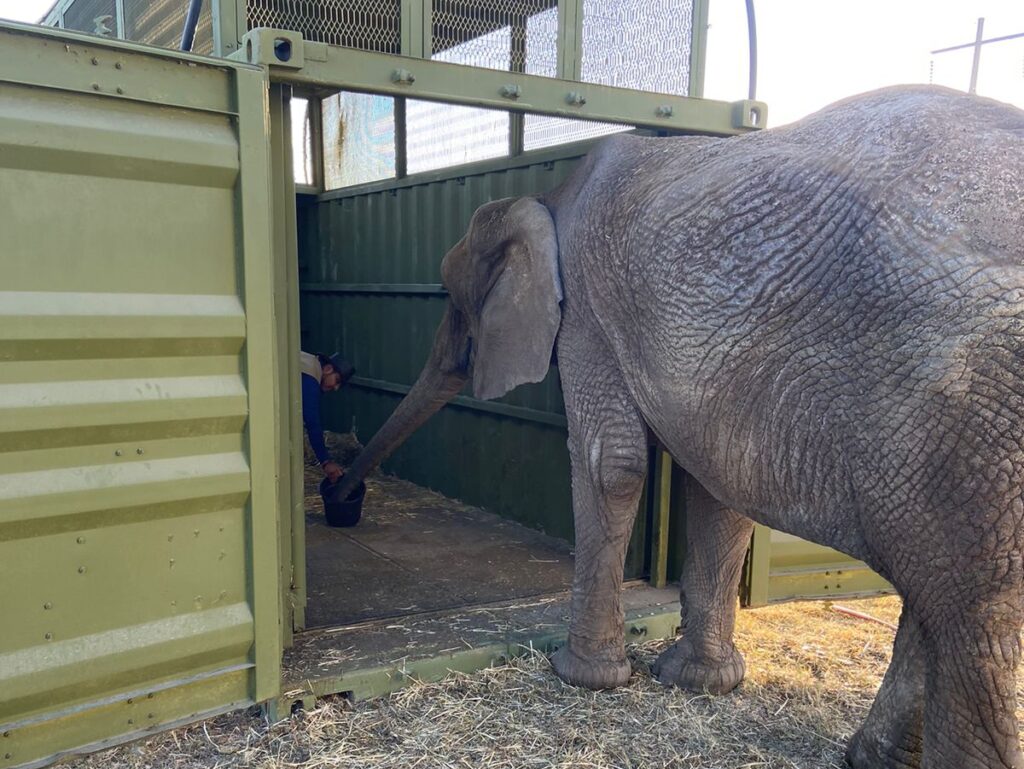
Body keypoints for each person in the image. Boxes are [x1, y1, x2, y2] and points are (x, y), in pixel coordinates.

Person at [301, 351, 355, 483]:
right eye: (337, 381)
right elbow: (312, 422)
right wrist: (325, 461)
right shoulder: (311, 378)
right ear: (328, 369)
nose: (335, 388)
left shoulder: (308, 362)